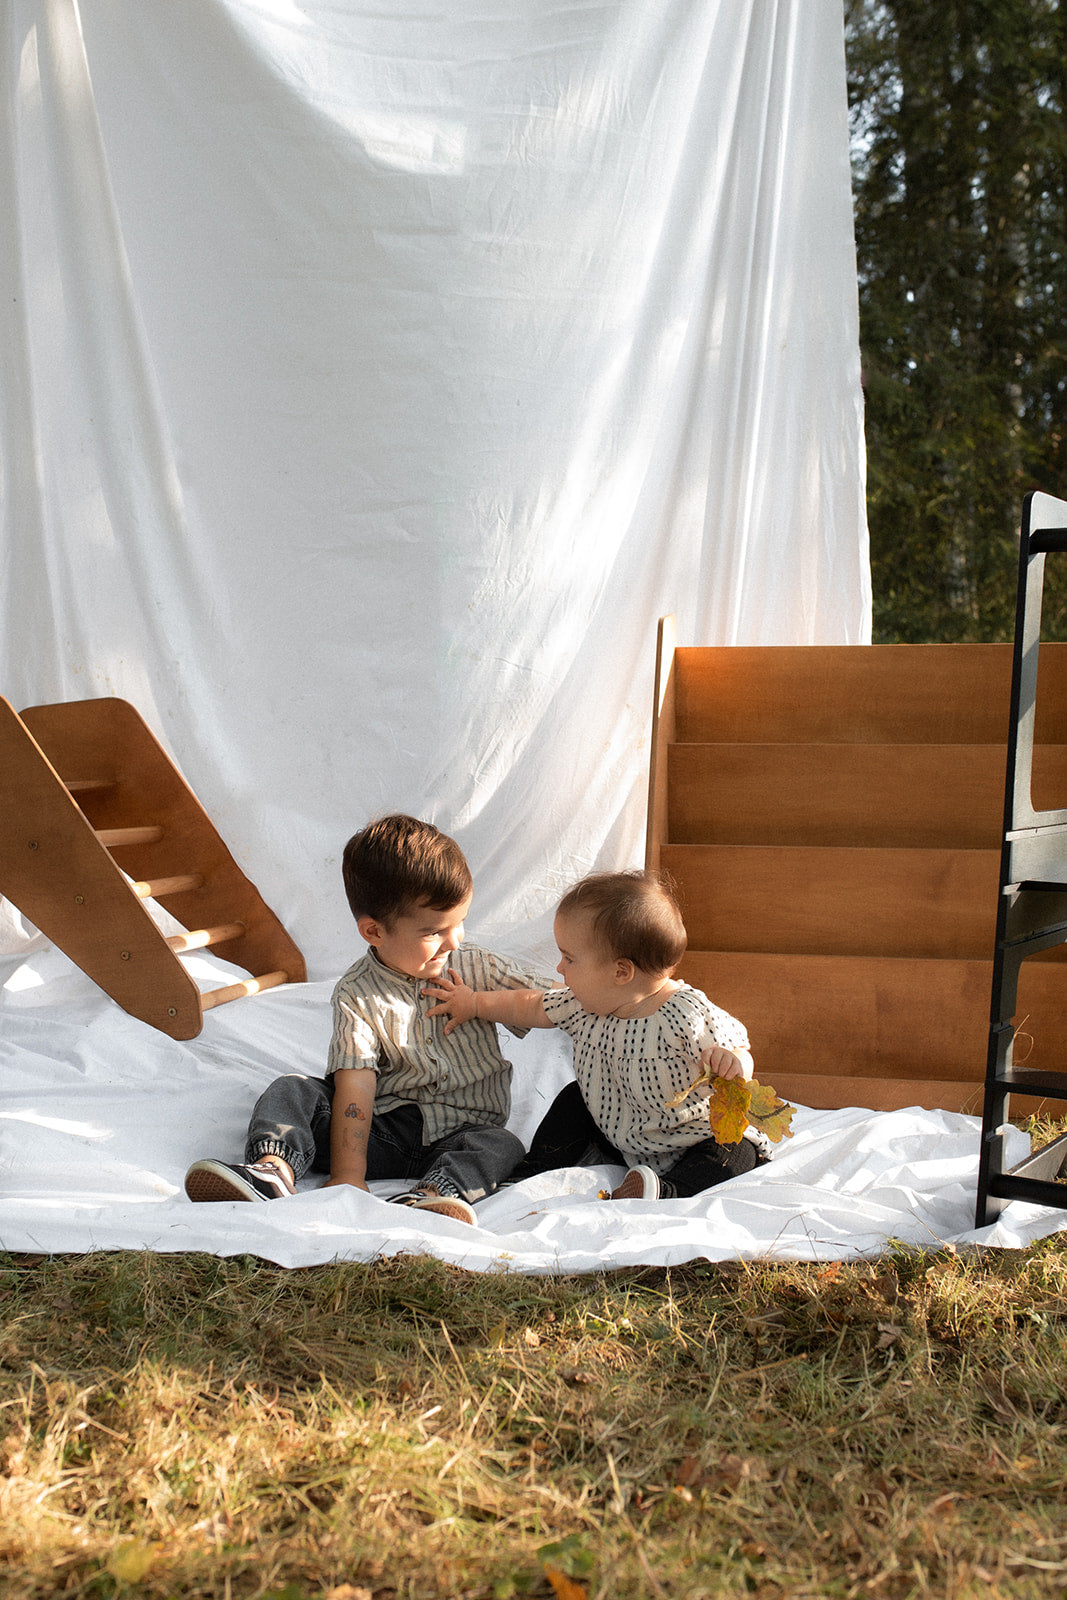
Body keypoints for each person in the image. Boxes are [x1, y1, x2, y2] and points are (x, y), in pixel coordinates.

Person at [184, 814, 550, 1224]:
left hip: (463, 1134)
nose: (454, 940)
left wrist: (480, 1003)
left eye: (460, 922)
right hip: (383, 1132)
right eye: (434, 931)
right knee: (291, 1090)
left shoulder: (475, 966)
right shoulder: (357, 993)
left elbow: (553, 1004)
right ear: (374, 932)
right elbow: (356, 1085)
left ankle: (433, 1195)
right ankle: (272, 1170)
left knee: (502, 1145)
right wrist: (348, 1176)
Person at [424, 869, 769, 1200]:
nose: (559, 967)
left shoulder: (685, 1013)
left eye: (569, 958)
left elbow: (737, 1047)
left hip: (694, 1135)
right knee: (575, 1099)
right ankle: (535, 1168)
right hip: (625, 1136)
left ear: (620, 972)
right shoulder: (580, 1006)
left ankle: (669, 1191)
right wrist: (474, 1003)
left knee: (734, 1152)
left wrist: (735, 1062)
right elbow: (527, 1005)